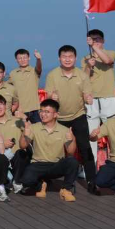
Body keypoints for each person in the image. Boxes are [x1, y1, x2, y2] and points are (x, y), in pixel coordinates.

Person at [44, 45, 98, 193]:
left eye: (70, 57)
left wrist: (88, 99)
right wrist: (51, 97)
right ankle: (54, 180)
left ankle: (92, 182)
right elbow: (48, 97)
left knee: (85, 148)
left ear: (75, 58)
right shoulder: (52, 75)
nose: (67, 59)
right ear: (59, 58)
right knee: (56, 150)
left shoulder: (82, 75)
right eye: (64, 56)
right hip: (59, 118)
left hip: (78, 115)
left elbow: (88, 96)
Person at [17, 99, 79, 202]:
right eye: (41, 111)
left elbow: (71, 152)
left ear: (56, 114)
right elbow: (22, 146)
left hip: (56, 165)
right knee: (26, 181)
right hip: (38, 164)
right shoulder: (33, 127)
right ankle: (41, 185)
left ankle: (66, 189)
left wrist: (72, 140)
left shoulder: (64, 130)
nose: (43, 114)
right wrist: (25, 133)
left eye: (47, 112)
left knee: (72, 161)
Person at [84, 29, 115, 166]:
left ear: (103, 41)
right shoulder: (85, 58)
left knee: (114, 133)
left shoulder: (111, 53)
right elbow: (84, 78)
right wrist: (88, 65)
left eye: (97, 39)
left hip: (108, 99)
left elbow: (107, 60)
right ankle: (90, 169)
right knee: (91, 136)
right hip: (91, 101)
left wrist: (94, 47)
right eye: (92, 39)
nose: (95, 41)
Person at [0, 94, 27, 189]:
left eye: (0, 103)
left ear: (6, 106)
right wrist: (2, 144)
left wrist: (24, 118)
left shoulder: (16, 120)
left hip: (18, 160)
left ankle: (16, 181)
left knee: (20, 153)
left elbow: (32, 131)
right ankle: (10, 180)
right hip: (3, 161)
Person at [9, 48, 43, 124]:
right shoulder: (12, 73)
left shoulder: (34, 71)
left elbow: (39, 68)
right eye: (20, 58)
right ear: (16, 60)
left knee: (37, 133)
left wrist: (38, 59)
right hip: (19, 111)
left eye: (24, 57)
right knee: (20, 134)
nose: (22, 60)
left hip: (35, 111)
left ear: (29, 58)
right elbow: (8, 90)